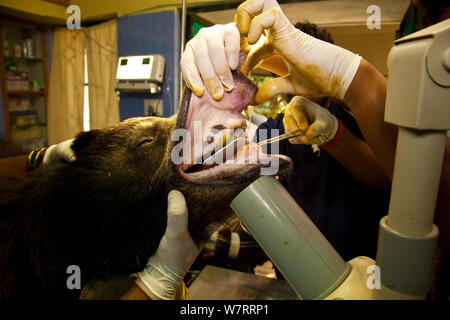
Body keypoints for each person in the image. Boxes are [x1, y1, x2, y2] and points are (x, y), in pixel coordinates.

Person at [180, 0, 450, 256]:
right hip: (300, 271)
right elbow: (233, 168)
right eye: (283, 72)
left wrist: (335, 133)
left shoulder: (361, 119)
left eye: (306, 68)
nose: (293, 81)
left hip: (365, 262)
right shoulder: (275, 131)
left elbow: (393, 176)